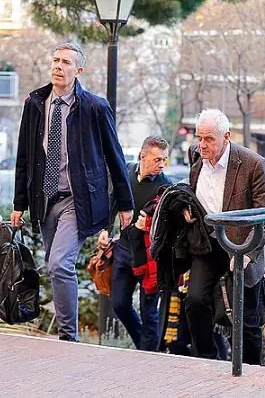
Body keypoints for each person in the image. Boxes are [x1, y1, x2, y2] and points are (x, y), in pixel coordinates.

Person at [11, 42, 133, 341]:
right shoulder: (35, 104)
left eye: (65, 62)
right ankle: (68, 333)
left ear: (78, 70)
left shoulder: (95, 107)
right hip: (44, 200)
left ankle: (68, 338)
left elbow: (114, 157)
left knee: (58, 263)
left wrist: (126, 204)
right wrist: (19, 203)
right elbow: (24, 156)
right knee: (55, 267)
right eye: (55, 60)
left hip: (78, 202)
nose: (58, 66)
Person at [183, 108, 265, 363]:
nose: (202, 144)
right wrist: (187, 209)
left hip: (244, 245)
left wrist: (247, 253)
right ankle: (207, 359)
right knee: (195, 301)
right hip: (209, 243)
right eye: (199, 137)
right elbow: (195, 193)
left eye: (209, 139)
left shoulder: (252, 163)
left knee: (245, 319)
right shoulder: (196, 156)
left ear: (227, 136)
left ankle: (251, 371)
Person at [97, 136, 171, 351]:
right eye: (157, 160)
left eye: (164, 160)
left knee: (150, 313)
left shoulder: (165, 187)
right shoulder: (126, 172)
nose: (161, 165)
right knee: (119, 304)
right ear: (142, 156)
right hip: (124, 249)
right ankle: (146, 348)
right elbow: (113, 201)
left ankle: (148, 357)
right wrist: (105, 230)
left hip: (150, 258)